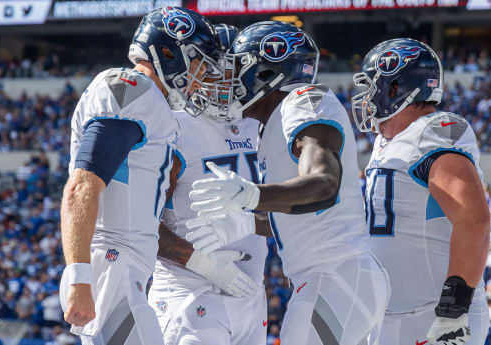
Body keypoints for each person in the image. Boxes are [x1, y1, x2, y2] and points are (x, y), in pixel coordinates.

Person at [186, 21, 390, 345]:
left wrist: (253, 195)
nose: (230, 79)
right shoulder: (273, 125)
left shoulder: (301, 101)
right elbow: (300, 209)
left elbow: (323, 184)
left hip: (335, 277)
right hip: (337, 278)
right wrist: (246, 223)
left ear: (267, 73)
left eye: (238, 68)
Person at [58, 6, 221, 345]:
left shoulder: (152, 102)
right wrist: (79, 278)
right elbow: (82, 185)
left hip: (121, 264)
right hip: (111, 261)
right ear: (168, 53)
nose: (202, 75)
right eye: (198, 63)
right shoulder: (132, 89)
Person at [350, 38, 490, 345]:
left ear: (395, 88)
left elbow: (474, 220)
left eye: (372, 86)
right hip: (389, 317)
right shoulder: (387, 141)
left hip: (434, 317)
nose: (365, 98)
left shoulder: (434, 130)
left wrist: (454, 309)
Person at [146, 24, 269, 345]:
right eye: (213, 69)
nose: (225, 79)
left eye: (234, 69)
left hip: (252, 293)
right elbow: (138, 222)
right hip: (187, 292)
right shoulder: (175, 126)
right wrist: (201, 262)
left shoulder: (260, 125)